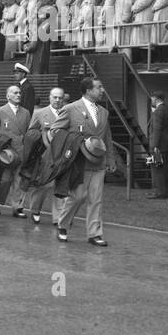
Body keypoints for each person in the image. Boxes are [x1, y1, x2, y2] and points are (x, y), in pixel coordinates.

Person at [51, 76, 117, 245]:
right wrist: (73, 143)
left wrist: (110, 159)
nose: (102, 90)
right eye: (99, 87)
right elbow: (55, 131)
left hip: (98, 162)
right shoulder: (71, 108)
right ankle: (63, 224)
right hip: (79, 162)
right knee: (77, 196)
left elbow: (107, 137)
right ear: (89, 91)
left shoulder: (104, 112)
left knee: (96, 199)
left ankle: (94, 234)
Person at [22, 87, 67, 225]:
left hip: (63, 156)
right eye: (55, 97)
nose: (57, 100)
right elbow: (31, 133)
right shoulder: (40, 113)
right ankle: (35, 209)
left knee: (61, 186)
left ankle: (58, 217)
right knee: (43, 186)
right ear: (49, 97)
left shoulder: (68, 112)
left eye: (60, 98)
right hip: (45, 156)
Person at [0, 83, 31, 216]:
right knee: (5, 179)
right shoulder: (0, 112)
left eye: (19, 92)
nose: (18, 95)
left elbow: (27, 131)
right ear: (8, 96)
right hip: (6, 153)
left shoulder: (26, 112)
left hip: (21, 150)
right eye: (15, 93)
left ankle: (17, 207)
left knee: (19, 180)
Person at [146, 90, 168, 199]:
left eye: (152, 98)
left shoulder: (158, 111)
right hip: (166, 142)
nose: (151, 100)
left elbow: (157, 129)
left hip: (158, 144)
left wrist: (154, 145)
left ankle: (159, 192)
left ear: (156, 98)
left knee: (157, 168)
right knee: (165, 168)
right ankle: (166, 191)